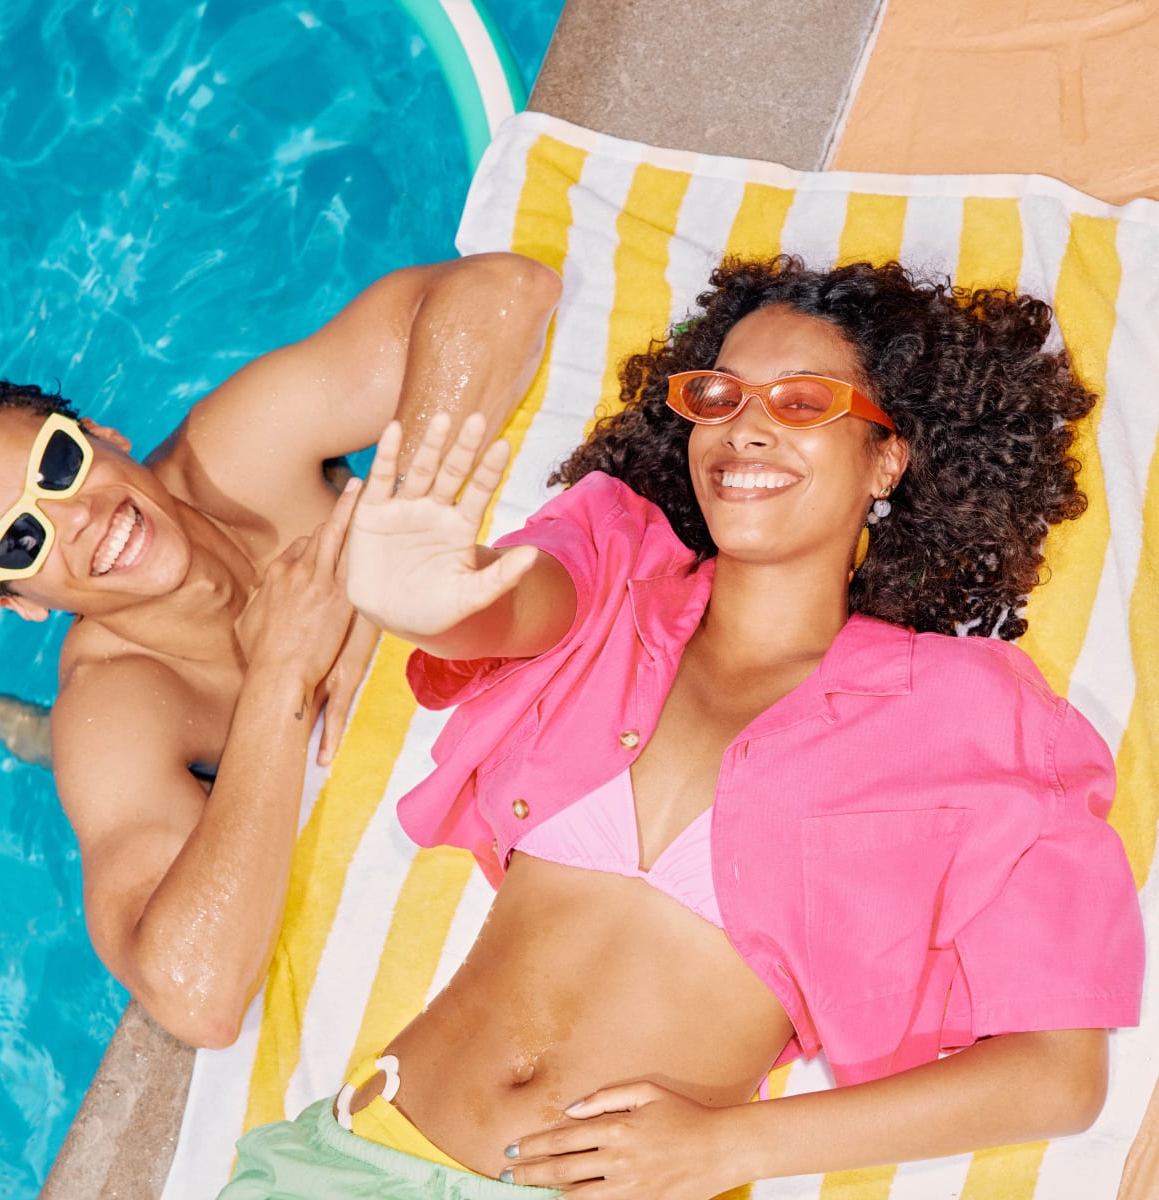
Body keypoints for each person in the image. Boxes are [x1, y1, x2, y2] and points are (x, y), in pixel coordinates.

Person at [220, 256, 1144, 1198]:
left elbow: (1058, 1075)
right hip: (348, 1166)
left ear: (889, 457)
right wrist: (419, 603)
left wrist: (725, 1150)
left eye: (800, 403)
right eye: (719, 395)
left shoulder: (979, 718)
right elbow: (499, 606)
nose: (744, 427)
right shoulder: (618, 563)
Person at [0, 252, 561, 1049]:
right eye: (22, 539)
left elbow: (505, 291)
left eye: (58, 466)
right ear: (23, 602)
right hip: (179, 737)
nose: (80, 518)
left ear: (102, 437)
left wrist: (384, 553)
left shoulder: (236, 448)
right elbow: (193, 995)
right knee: (44, 739)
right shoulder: (115, 704)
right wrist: (282, 672)